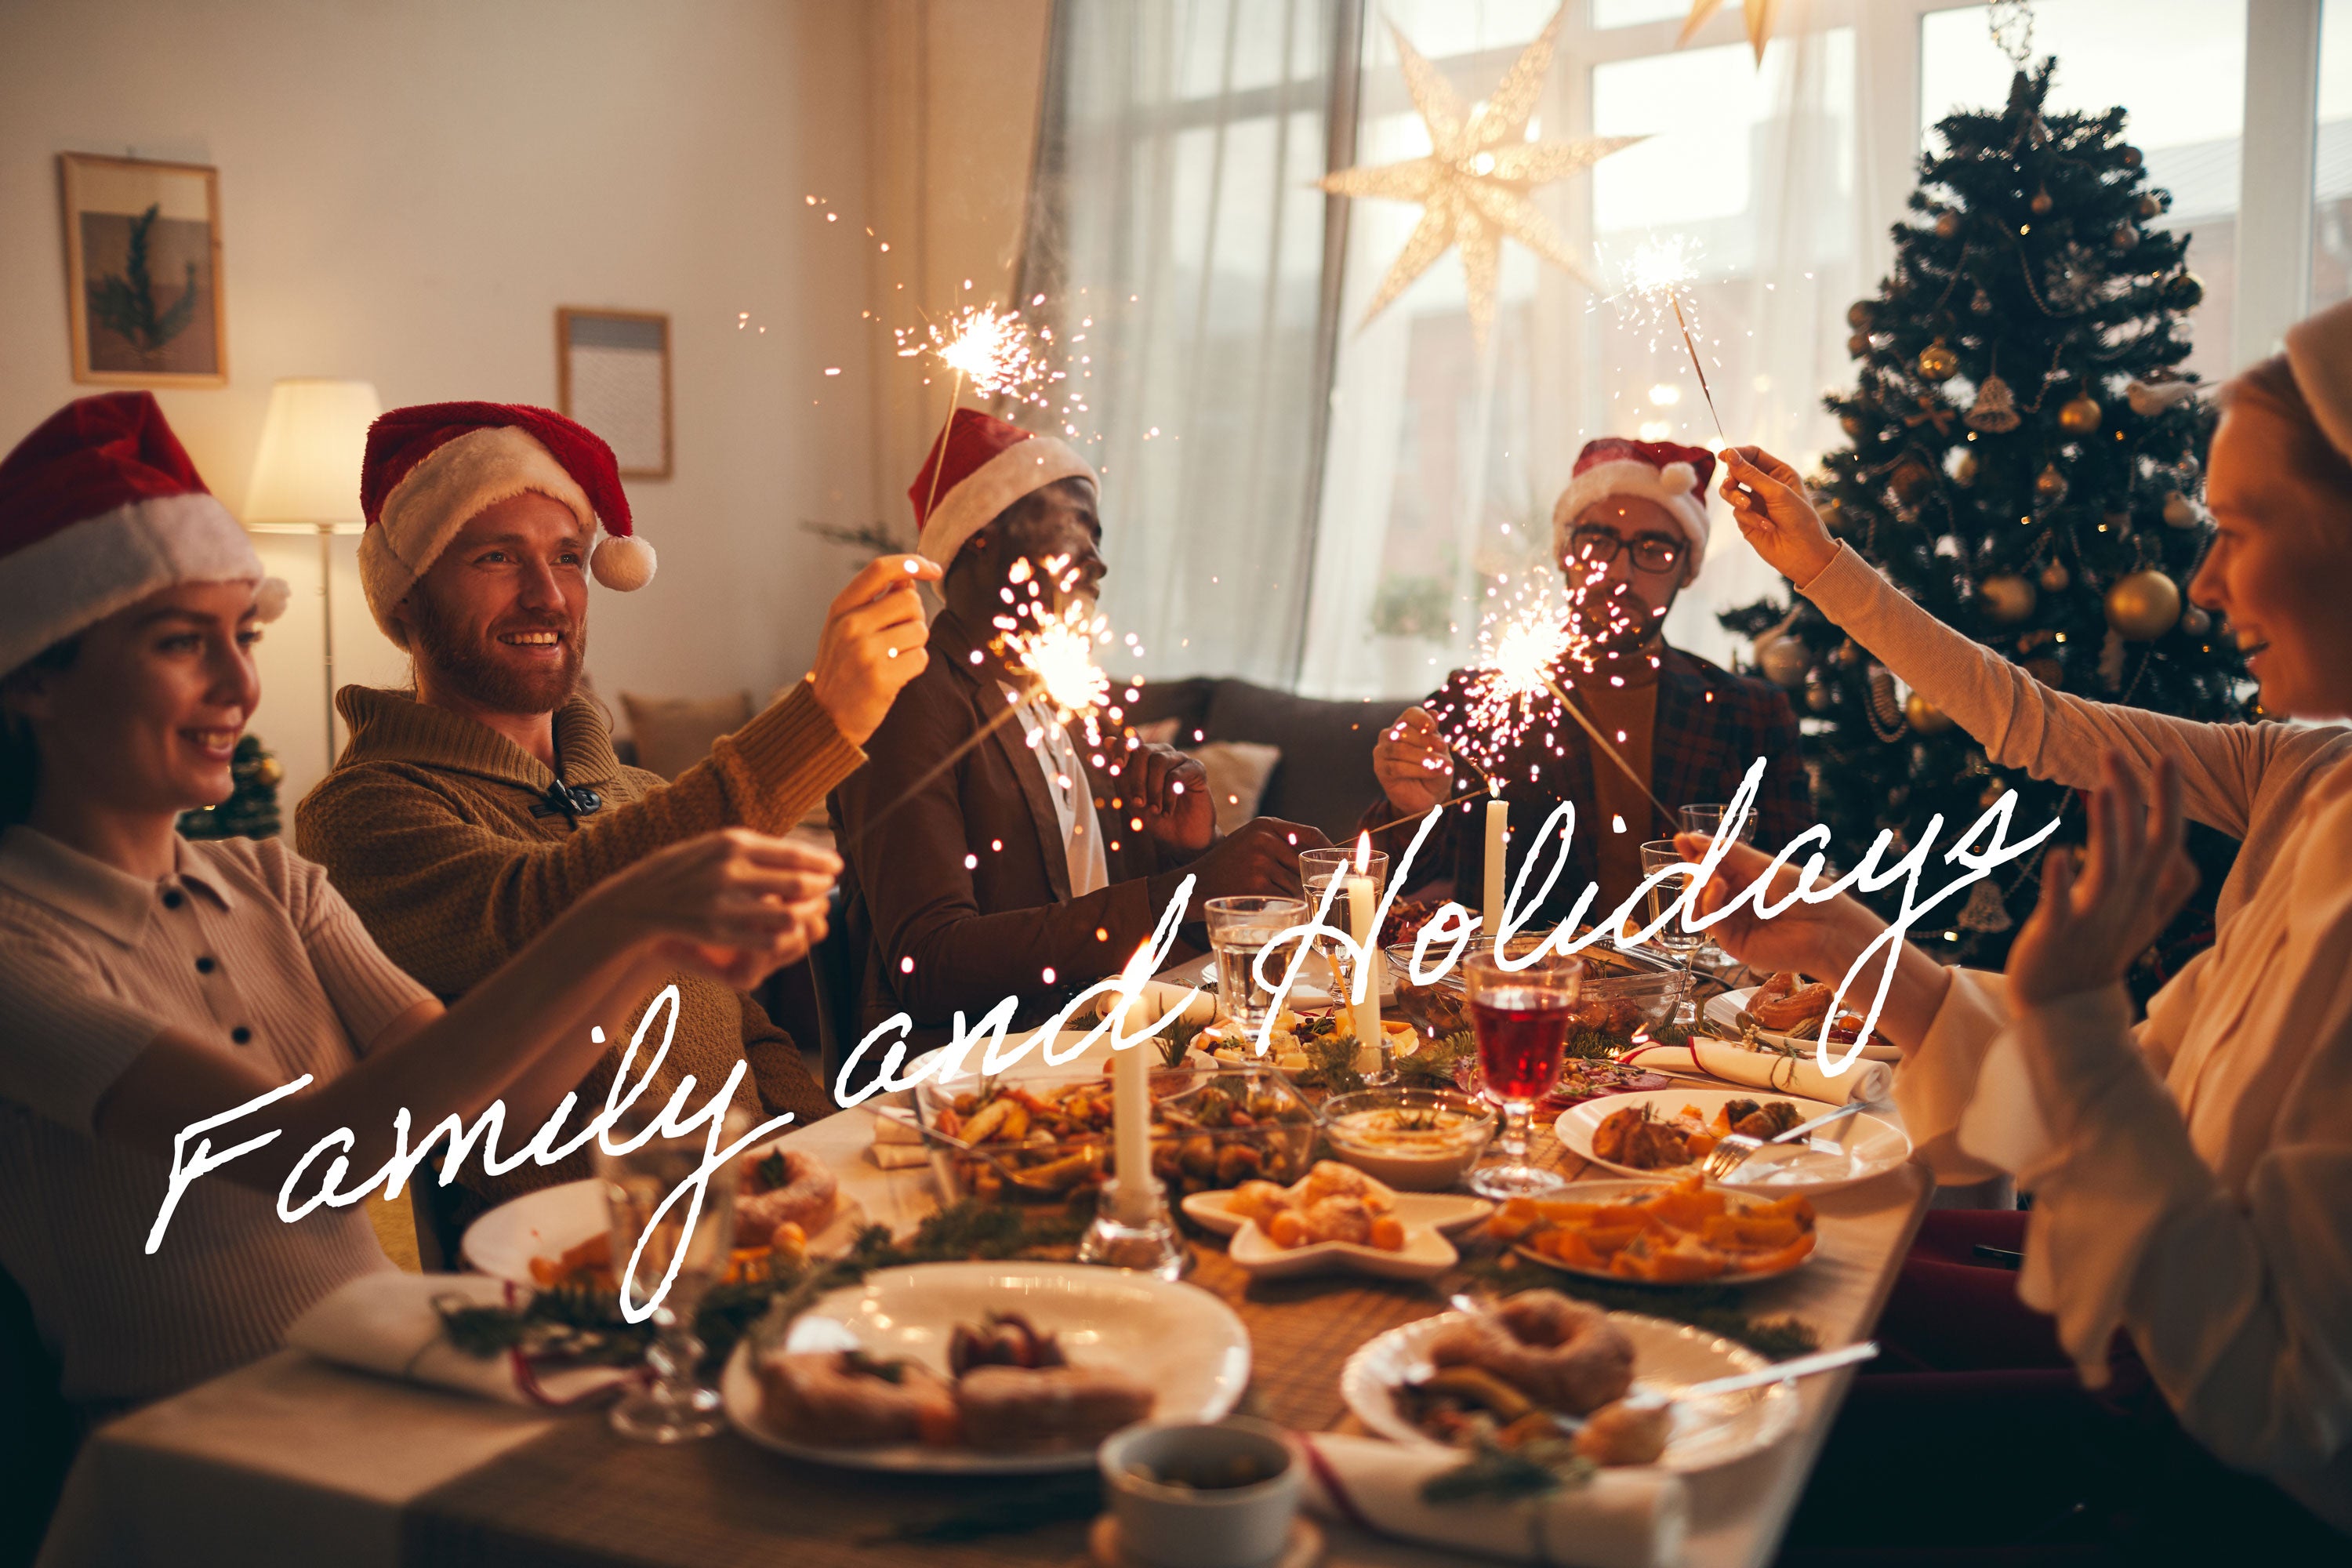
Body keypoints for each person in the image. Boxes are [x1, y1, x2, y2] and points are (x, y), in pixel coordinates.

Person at [0, 394, 832, 1418]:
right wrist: (625, 916)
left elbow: (494, 1113)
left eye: (245, 637)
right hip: (199, 1442)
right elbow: (315, 1152)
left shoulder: (272, 884)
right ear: (34, 678)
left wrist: (659, 944)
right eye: (182, 643)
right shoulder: (21, 941)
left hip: (399, 1372)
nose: (239, 685)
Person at [1697, 294, 2352, 1548]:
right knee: (1765, 1274)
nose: (2203, 587)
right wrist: (1848, 947)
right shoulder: (2307, 775)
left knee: (1739, 1419)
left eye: (2236, 529)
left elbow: (2276, 1397)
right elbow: (2035, 724)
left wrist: (2067, 1013)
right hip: (2133, 1350)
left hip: (2212, 1491)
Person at [296, 403, 932, 1222]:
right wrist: (818, 723)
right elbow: (542, 909)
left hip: (770, 1231)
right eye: (497, 557)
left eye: (568, 557)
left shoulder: (636, 794)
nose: (547, 594)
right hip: (587, 1267)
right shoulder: (364, 811)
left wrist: (834, 1162)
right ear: (407, 597)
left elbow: (748, 1033)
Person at [829, 409, 1326, 1042]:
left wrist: (1189, 851)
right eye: (1074, 529)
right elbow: (930, 964)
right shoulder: (910, 696)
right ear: (981, 535)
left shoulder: (1067, 702)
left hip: (1104, 1044)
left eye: (1099, 538)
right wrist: (1187, 884)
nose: (1097, 562)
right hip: (975, 1076)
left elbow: (1115, 912)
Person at [1366, 437, 1809, 919]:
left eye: (1653, 548)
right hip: (1522, 984)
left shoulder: (1750, 714)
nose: (1618, 572)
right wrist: (1413, 812)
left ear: (1687, 568)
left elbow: (1795, 890)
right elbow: (1388, 884)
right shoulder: (1480, 701)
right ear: (1564, 552)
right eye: (1597, 542)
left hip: (1703, 990)